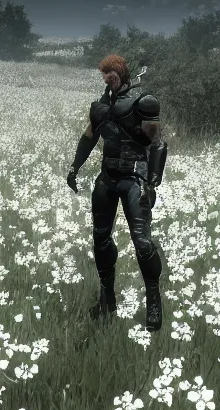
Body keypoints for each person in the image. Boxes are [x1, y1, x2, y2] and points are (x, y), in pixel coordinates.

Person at [65, 54, 168, 332]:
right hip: (108, 178)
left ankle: (154, 302)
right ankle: (107, 299)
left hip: (135, 179)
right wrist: (75, 167)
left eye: (112, 72)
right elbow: (88, 138)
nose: (108, 77)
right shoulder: (99, 108)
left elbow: (157, 144)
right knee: (100, 239)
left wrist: (152, 180)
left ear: (122, 73)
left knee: (143, 244)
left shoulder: (143, 103)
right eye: (105, 73)